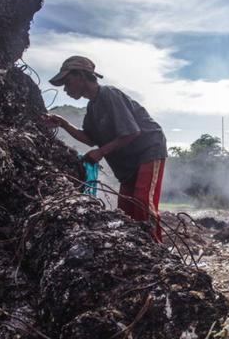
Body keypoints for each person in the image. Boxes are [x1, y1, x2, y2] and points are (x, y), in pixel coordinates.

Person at [42, 56, 168, 242]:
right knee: (125, 209)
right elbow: (89, 139)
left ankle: (157, 251)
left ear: (82, 77)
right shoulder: (92, 108)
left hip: (148, 149)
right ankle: (138, 250)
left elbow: (132, 132)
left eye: (67, 82)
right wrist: (62, 123)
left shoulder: (109, 94)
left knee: (142, 203)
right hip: (128, 164)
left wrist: (100, 152)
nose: (66, 89)